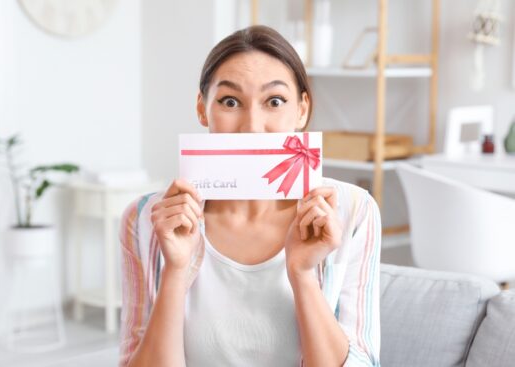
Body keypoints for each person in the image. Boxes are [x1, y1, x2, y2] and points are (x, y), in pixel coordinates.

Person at [119, 25, 381, 367]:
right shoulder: (146, 219)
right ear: (202, 108)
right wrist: (175, 271)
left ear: (302, 110)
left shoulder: (352, 211)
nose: (252, 126)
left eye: (275, 101)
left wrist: (303, 275)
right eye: (230, 101)